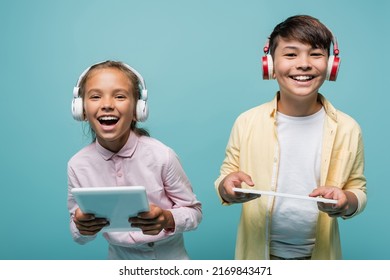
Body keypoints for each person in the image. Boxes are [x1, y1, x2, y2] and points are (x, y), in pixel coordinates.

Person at [214, 15, 366, 260]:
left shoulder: (348, 128)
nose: (304, 64)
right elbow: (226, 175)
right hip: (258, 256)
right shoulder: (247, 121)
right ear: (270, 65)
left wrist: (347, 201)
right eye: (291, 54)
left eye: (316, 54)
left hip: (320, 257)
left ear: (330, 65)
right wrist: (227, 186)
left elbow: (357, 189)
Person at [67, 60, 202, 260]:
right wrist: (82, 227)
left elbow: (195, 213)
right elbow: (77, 233)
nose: (107, 105)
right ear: (81, 109)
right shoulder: (77, 165)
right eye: (95, 97)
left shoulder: (162, 156)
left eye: (120, 96)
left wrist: (168, 218)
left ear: (138, 109)